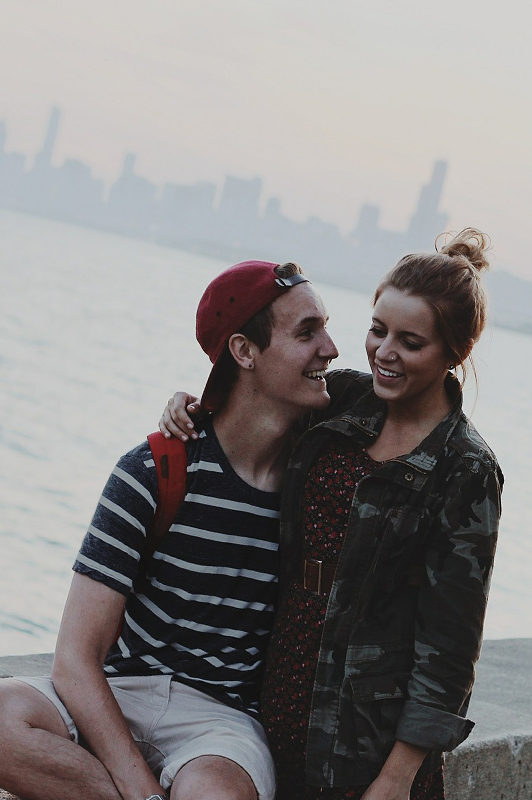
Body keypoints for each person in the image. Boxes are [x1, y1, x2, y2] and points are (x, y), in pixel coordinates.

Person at [158, 229, 503, 800]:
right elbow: (250, 407)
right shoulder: (339, 399)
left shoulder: (465, 468)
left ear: (454, 354)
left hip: (366, 740)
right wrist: (191, 404)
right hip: (274, 700)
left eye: (410, 342)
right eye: (377, 329)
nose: (384, 353)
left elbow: (450, 649)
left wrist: (396, 779)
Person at [0, 260, 339, 800]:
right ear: (244, 352)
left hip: (221, 722)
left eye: (325, 327)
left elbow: (405, 398)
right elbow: (75, 655)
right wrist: (143, 792)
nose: (331, 347)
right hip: (123, 689)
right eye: (307, 332)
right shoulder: (154, 469)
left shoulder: (320, 481)